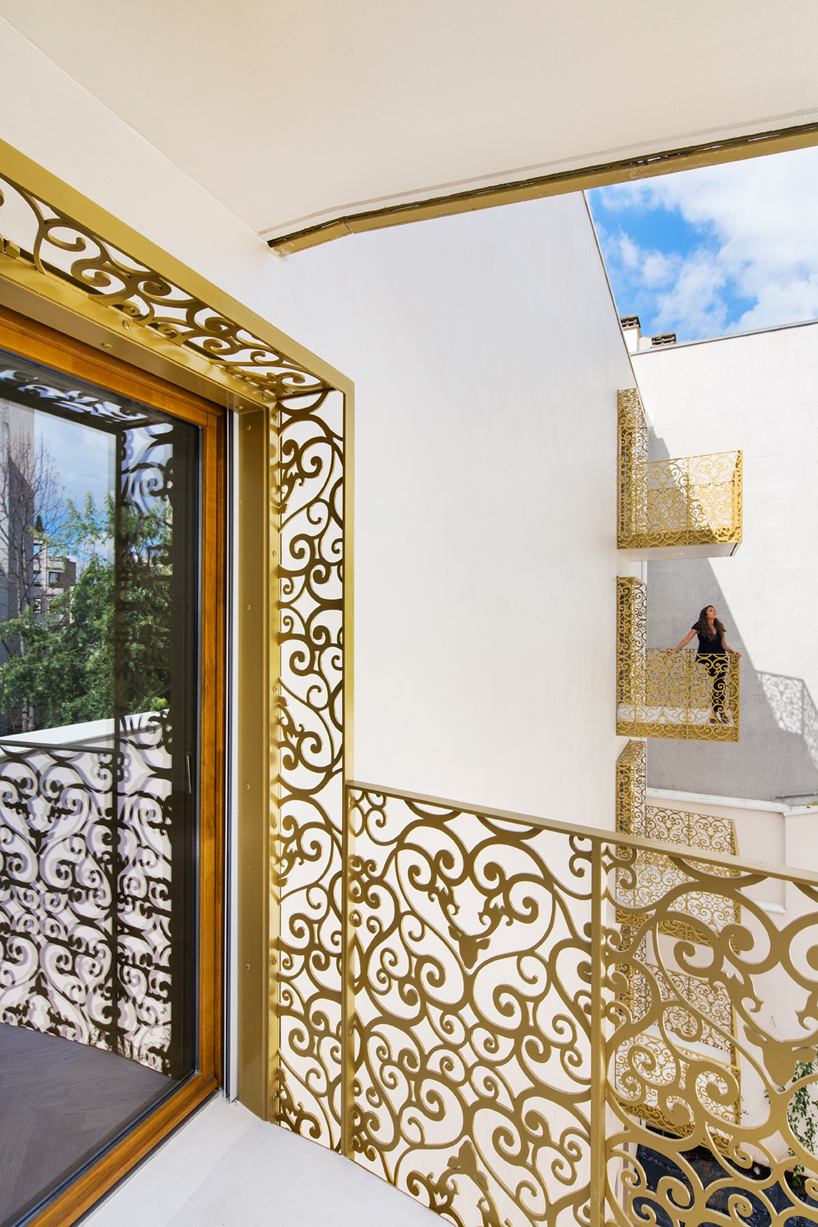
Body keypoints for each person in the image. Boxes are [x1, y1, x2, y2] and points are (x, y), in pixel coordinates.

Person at [665, 605, 742, 724]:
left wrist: (733, 651)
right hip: (709, 660)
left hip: (721, 659)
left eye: (714, 610)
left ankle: (716, 713)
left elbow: (724, 645)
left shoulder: (719, 627)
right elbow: (687, 639)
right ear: (705, 615)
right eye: (711, 611)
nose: (714, 612)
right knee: (718, 685)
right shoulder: (700, 625)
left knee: (720, 685)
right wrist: (675, 650)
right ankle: (720, 711)